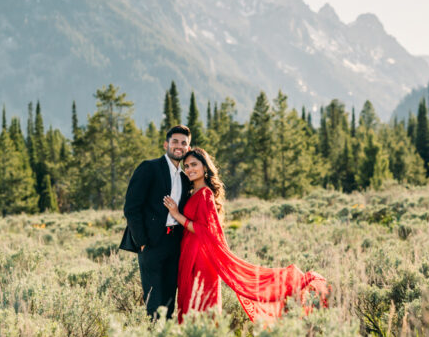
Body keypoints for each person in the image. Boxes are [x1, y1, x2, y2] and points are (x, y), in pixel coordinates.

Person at [162, 148, 328, 324]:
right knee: (189, 304)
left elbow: (206, 230)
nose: (189, 169)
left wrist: (176, 214)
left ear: (205, 167)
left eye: (194, 164)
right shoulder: (193, 192)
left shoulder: (205, 194)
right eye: (186, 166)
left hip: (201, 259)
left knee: (200, 306)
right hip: (190, 253)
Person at [120, 125, 193, 319]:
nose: (179, 146)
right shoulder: (149, 168)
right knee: (154, 302)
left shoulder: (186, 179)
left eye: (184, 143)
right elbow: (131, 208)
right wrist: (142, 242)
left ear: (188, 147)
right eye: (175, 141)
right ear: (166, 144)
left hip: (175, 244)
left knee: (169, 300)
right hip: (151, 244)